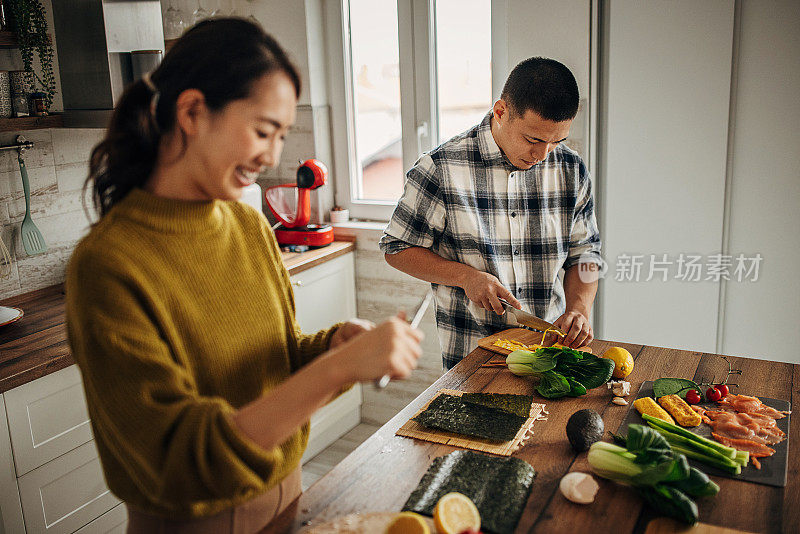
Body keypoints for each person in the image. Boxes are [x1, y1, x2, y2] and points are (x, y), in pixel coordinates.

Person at [65, 18, 423, 533]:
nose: (273, 156)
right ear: (191, 111)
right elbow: (179, 464)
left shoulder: (248, 223)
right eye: (262, 131)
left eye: (280, 135)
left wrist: (332, 349)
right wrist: (339, 370)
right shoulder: (108, 265)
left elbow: (270, 360)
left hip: (288, 494)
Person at [380, 57, 603, 370]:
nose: (542, 155)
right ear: (501, 112)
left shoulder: (571, 169)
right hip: (472, 363)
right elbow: (396, 248)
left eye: (556, 141)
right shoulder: (441, 168)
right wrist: (465, 276)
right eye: (533, 139)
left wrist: (579, 307)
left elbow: (586, 254)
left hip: (550, 355)